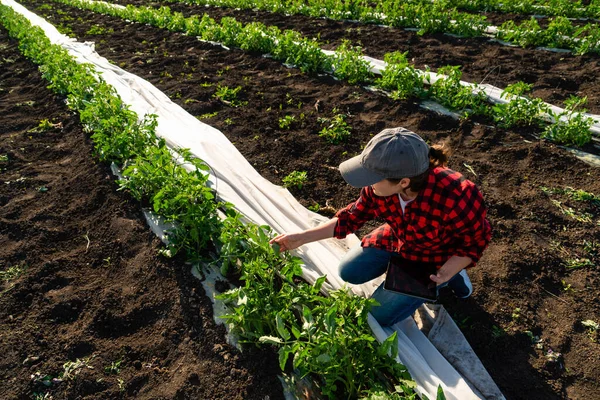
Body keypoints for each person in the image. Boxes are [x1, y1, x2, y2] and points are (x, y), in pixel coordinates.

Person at [270, 127, 492, 327]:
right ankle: (405, 276)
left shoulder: (458, 194)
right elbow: (351, 218)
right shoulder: (379, 189)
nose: (368, 183)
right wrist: (301, 238)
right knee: (348, 271)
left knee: (377, 315)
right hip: (400, 239)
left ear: (404, 182)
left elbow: (476, 240)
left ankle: (455, 278)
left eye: (373, 178)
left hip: (434, 256)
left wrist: (449, 269)